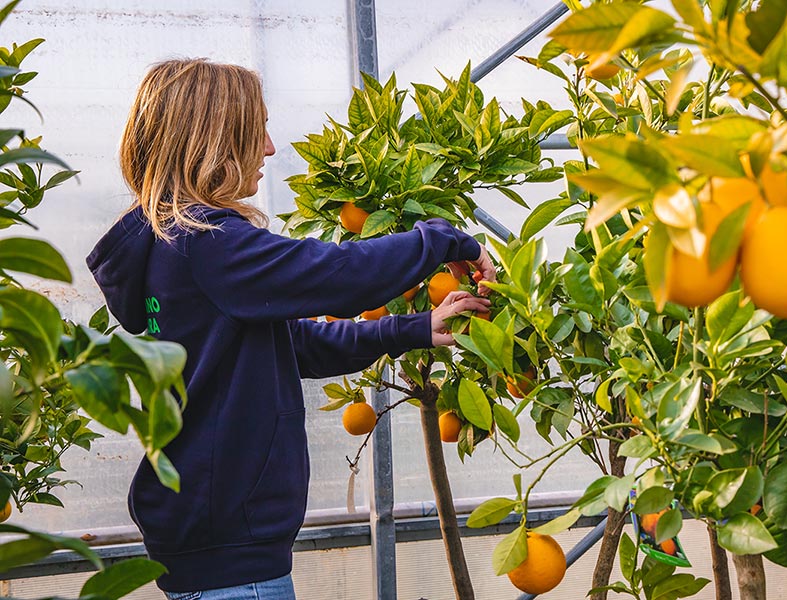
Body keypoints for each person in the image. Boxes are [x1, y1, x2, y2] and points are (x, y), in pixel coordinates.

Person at [86, 58, 495, 599]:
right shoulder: (208, 242)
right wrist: (446, 240)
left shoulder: (176, 245)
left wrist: (413, 329)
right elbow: (341, 274)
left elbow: (289, 343)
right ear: (217, 139)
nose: (270, 148)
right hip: (231, 557)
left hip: (209, 532)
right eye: (257, 129)